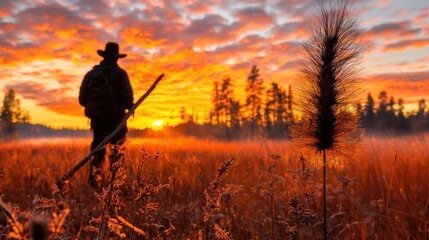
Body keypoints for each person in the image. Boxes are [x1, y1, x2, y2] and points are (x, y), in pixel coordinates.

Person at [79, 42, 133, 188]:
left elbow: (82, 101)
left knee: (97, 152)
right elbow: (128, 101)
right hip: (117, 123)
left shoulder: (91, 75)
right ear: (116, 58)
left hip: (98, 123)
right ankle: (113, 186)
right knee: (117, 154)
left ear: (104, 56)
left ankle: (93, 183)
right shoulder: (120, 74)